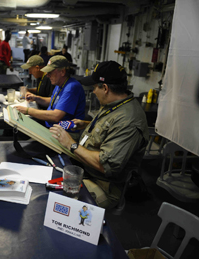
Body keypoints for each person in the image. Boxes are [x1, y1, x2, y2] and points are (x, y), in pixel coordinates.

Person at [49, 61, 149, 209]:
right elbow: (109, 131)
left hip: (103, 185)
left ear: (106, 88)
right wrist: (86, 124)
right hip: (86, 169)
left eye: (95, 87)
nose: (93, 91)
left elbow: (105, 165)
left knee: (58, 202)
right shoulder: (115, 104)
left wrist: (71, 144)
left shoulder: (129, 120)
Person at [15, 56, 85, 141]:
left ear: (62, 72)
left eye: (50, 72)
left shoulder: (71, 88)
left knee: (23, 138)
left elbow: (56, 116)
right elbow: (53, 101)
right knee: (20, 130)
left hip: (65, 134)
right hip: (53, 128)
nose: (47, 75)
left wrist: (27, 111)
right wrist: (36, 98)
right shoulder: (60, 84)